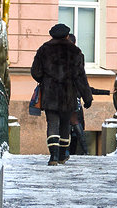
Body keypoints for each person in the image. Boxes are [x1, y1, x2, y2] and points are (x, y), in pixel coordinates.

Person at [30, 23, 93, 165]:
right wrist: (87, 97)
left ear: (51, 35)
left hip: (50, 93)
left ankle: (53, 156)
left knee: (52, 123)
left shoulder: (43, 50)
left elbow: (35, 72)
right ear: (66, 35)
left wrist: (45, 80)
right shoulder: (75, 51)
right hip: (68, 94)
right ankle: (62, 156)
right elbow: (80, 77)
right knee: (65, 124)